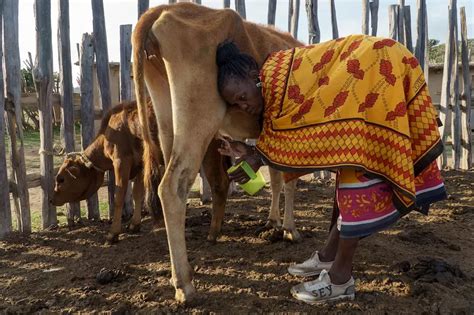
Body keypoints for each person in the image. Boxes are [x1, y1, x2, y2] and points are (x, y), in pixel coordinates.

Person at [216, 35, 447, 304]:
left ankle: (340, 280)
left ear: (253, 75)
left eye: (242, 97)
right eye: (237, 104)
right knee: (347, 168)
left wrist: (257, 158)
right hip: (379, 63)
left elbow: (299, 133)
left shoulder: (279, 80)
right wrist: (254, 154)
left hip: (379, 67)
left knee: (356, 178)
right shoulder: (275, 78)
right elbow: (305, 133)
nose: (244, 106)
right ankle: (328, 258)